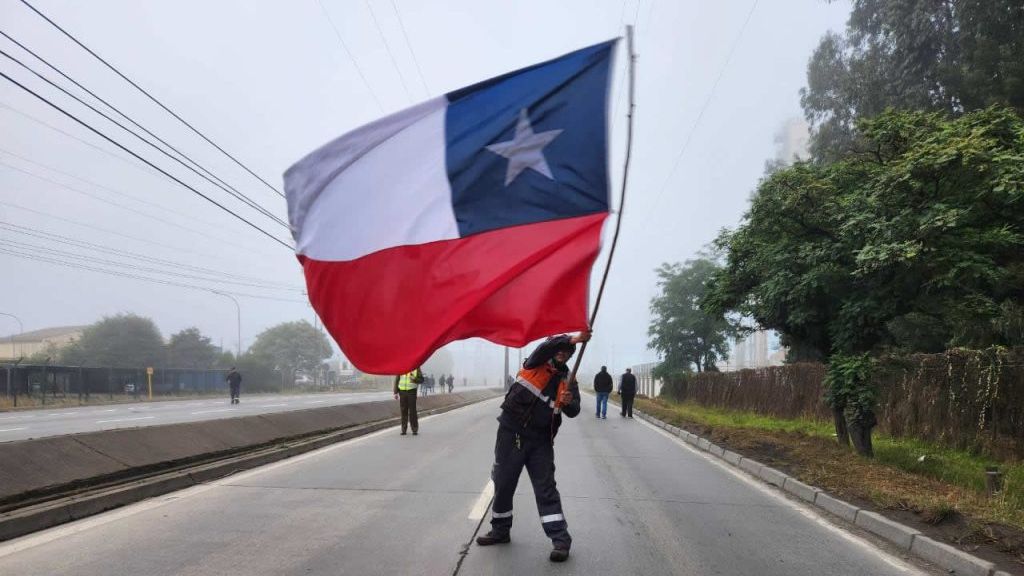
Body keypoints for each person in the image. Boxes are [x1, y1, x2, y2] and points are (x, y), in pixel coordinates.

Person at [476, 331, 590, 563]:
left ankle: (560, 540)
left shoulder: (570, 379)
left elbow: (574, 410)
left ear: (570, 357)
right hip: (512, 432)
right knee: (503, 482)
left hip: (541, 441)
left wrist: (570, 402)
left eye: (567, 352)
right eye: (560, 348)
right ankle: (500, 531)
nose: (562, 353)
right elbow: (546, 347)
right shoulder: (536, 361)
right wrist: (572, 339)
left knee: (546, 489)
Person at [393, 367, 424, 435]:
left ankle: (414, 429)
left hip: (412, 391)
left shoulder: (416, 368)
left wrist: (415, 379)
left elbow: (421, 380)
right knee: (403, 411)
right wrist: (395, 392)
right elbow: (397, 380)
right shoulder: (401, 366)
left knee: (412, 411)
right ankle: (404, 430)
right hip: (402, 392)